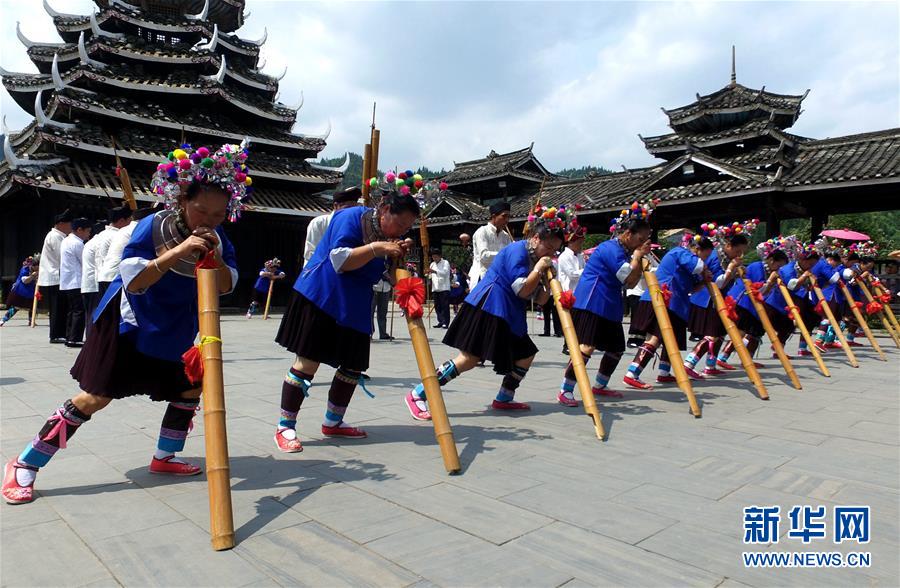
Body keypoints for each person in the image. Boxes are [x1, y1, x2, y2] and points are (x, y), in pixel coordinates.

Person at [2, 142, 245, 505]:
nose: (208, 220)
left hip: (176, 325)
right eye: (200, 210)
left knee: (189, 391)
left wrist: (215, 258)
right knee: (95, 397)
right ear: (181, 201)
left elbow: (227, 285)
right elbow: (136, 281)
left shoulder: (219, 238)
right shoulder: (151, 227)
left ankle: (164, 457)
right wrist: (179, 251)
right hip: (128, 322)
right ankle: (26, 462)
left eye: (219, 214)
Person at [273, 190, 418, 452]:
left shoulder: (388, 238)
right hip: (323, 295)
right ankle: (285, 425)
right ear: (384, 209)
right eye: (399, 224)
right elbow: (340, 260)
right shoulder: (350, 217)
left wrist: (393, 257)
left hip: (356, 304)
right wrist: (377, 248)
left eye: (407, 228)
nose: (400, 231)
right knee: (308, 362)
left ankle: (333, 422)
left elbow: (383, 273)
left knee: (352, 365)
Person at [404, 205, 569, 421]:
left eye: (554, 251)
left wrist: (548, 283)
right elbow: (522, 289)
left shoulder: (533, 259)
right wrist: (539, 269)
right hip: (489, 306)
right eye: (548, 247)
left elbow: (539, 299)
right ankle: (418, 393)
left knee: (526, 354)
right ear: (536, 238)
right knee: (469, 359)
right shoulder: (517, 251)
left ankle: (504, 397)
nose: (550, 254)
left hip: (507, 313)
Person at [558, 203, 652, 406]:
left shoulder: (626, 252)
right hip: (592, 301)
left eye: (645, 240)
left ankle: (600, 384)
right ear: (628, 234)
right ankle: (566, 389)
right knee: (586, 347)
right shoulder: (610, 248)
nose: (642, 243)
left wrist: (636, 258)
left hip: (609, 304)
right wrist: (637, 257)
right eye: (640, 239)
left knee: (616, 348)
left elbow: (632, 282)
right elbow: (627, 276)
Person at [623, 233, 713, 388]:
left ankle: (664, 373)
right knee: (655, 338)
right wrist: (705, 269)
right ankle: (632, 373)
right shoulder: (680, 252)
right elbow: (699, 266)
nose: (705, 260)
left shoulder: (688, 262)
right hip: (662, 300)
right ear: (697, 249)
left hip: (675, 303)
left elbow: (693, 287)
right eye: (705, 255)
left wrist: (705, 281)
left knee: (671, 339)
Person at [682, 221, 752, 378]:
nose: (739, 255)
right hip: (707, 299)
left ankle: (710, 365)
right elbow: (717, 283)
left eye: (742, 252)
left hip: (719, 300)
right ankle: (689, 363)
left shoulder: (726, 257)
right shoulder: (715, 257)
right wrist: (731, 268)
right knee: (712, 334)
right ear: (728, 245)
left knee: (720, 332)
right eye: (738, 251)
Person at [715, 238, 791, 367]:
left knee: (757, 332)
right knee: (741, 331)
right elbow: (756, 289)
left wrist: (771, 283)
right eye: (778, 266)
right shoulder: (757, 266)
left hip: (755, 306)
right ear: (771, 261)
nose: (779, 269)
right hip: (743, 302)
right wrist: (769, 282)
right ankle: (723, 357)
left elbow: (764, 293)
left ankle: (747, 359)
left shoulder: (771, 273)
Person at [763, 243, 823, 356]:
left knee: (788, 326)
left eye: (813, 265)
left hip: (791, 303)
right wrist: (804, 277)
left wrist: (810, 282)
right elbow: (792, 285)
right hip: (775, 303)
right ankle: (729, 355)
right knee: (755, 329)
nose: (811, 267)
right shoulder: (788, 268)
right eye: (810, 264)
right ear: (802, 260)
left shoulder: (806, 270)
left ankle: (778, 351)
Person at [37, 209, 73, 343]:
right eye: (69, 224)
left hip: (57, 276)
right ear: (61, 223)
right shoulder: (55, 236)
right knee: (58, 307)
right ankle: (56, 334)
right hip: (55, 276)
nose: (70, 227)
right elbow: (62, 256)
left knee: (61, 307)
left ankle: (60, 333)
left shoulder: (59, 236)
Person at [303, 186, 361, 267]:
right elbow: (311, 254)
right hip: (319, 272)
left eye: (354, 209)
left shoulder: (356, 225)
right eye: (347, 208)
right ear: (336, 206)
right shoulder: (319, 223)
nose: (351, 212)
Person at [59, 218, 93, 347]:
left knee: (72, 310)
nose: (88, 234)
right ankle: (75, 338)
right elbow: (84, 261)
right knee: (79, 311)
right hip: (76, 280)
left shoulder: (66, 240)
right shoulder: (78, 243)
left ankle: (69, 336)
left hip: (68, 280)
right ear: (80, 230)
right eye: (88, 231)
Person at [556, 219, 586, 354]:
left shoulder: (579, 256)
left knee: (578, 320)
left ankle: (576, 343)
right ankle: (567, 345)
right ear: (571, 242)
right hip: (568, 292)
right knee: (570, 321)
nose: (581, 245)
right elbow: (572, 274)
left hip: (578, 291)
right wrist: (587, 270)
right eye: (579, 242)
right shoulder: (564, 257)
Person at [469, 202, 512, 289]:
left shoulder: (506, 236)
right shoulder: (482, 232)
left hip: (499, 279)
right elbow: (484, 256)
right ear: (493, 216)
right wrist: (505, 254)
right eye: (504, 216)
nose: (507, 220)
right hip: (482, 277)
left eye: (508, 217)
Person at [94, 205, 135, 297]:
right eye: (129, 220)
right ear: (121, 221)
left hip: (102, 275)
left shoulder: (102, 234)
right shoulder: (119, 235)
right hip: (113, 277)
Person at [80, 220, 107, 337]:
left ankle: (89, 337)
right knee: (94, 312)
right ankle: (92, 338)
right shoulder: (98, 243)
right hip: (93, 283)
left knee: (89, 312)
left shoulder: (89, 243)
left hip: (87, 282)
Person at [1, 255, 39, 326]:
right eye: (36, 267)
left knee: (33, 307)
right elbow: (25, 281)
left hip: (31, 292)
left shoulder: (39, 270)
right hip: (20, 291)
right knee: (16, 307)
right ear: (33, 266)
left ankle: (31, 320)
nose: (37, 268)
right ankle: (3, 320)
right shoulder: (25, 269)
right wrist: (32, 276)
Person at [428, 248, 452, 328]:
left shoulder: (445, 262)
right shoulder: (432, 264)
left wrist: (434, 271)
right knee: (437, 306)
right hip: (435, 288)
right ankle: (440, 321)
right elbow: (430, 275)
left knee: (444, 306)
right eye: (433, 257)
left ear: (440, 256)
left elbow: (445, 273)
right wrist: (428, 274)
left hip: (444, 287)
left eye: (435, 257)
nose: (434, 258)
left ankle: (446, 322)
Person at [371, 271, 394, 340]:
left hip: (386, 288)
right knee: (370, 312)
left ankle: (383, 333)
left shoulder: (390, 261)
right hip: (374, 287)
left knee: (383, 313)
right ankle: (370, 332)